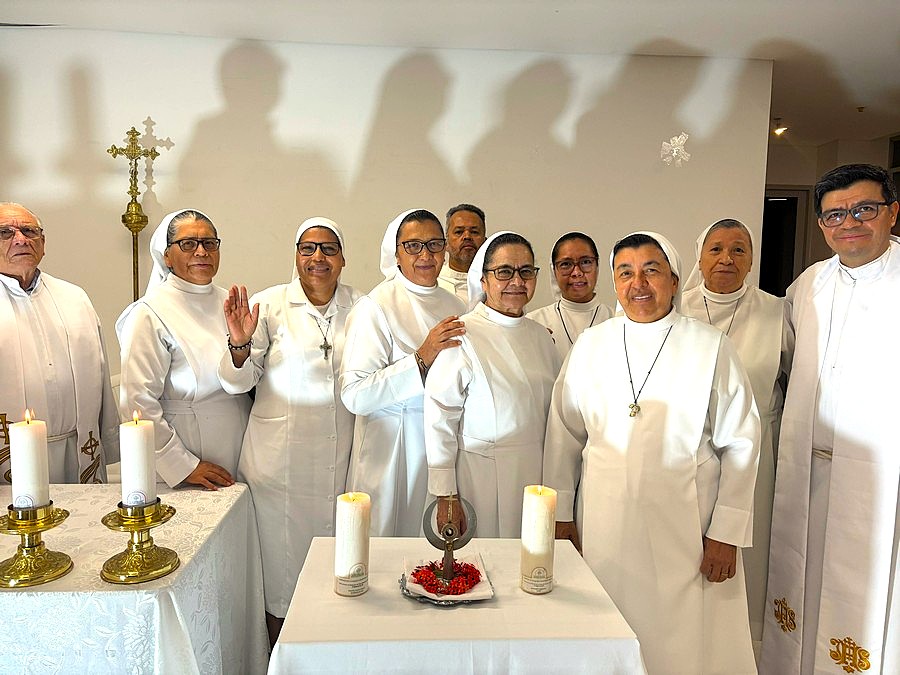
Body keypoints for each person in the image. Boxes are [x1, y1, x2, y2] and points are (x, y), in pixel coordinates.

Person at [544, 231, 760, 674]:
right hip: (603, 522)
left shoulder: (710, 346)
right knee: (605, 626)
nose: (638, 283)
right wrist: (561, 516)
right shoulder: (591, 345)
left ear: (675, 280)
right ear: (614, 282)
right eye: (625, 273)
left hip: (686, 527)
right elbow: (564, 434)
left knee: (681, 639)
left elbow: (740, 441)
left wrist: (726, 532)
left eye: (651, 271)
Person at [762, 164, 900, 674]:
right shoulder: (809, 284)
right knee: (801, 580)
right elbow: (784, 359)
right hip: (809, 470)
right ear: (821, 224)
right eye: (835, 215)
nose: (850, 223)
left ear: (892, 212)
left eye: (864, 209)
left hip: (882, 481)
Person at [219, 216, 362, 646]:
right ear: (296, 257)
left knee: (339, 572)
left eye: (329, 249)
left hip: (341, 460)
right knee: (280, 579)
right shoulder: (268, 305)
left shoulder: (362, 307)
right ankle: (281, 659)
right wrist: (240, 344)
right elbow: (238, 382)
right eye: (308, 248)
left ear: (343, 259)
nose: (318, 257)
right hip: (279, 468)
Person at [681, 218, 792, 653]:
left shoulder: (777, 312)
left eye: (739, 250)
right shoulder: (676, 307)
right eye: (716, 249)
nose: (726, 258)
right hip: (686, 452)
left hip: (753, 456)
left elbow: (798, 379)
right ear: (699, 257)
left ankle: (742, 646)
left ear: (751, 260)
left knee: (746, 551)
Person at [425, 231, 560, 537]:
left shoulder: (541, 337)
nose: (517, 281)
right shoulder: (462, 334)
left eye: (526, 271)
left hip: (536, 476)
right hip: (480, 477)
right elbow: (439, 417)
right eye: (504, 272)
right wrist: (446, 494)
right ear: (483, 280)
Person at [340, 209, 465, 536]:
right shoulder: (375, 306)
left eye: (434, 244)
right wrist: (420, 359)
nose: (425, 255)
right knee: (385, 542)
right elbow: (354, 395)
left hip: (441, 448)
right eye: (413, 246)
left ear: (445, 250)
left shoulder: (458, 307)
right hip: (390, 448)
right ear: (395, 253)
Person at [116, 209, 250, 490]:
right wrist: (182, 465)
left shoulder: (231, 303)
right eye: (188, 244)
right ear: (166, 256)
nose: (201, 252)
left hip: (241, 442)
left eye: (209, 243)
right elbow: (137, 402)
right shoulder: (149, 313)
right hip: (188, 451)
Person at [0, 202, 119, 486]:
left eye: (29, 231)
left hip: (78, 447)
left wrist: (109, 438)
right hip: (10, 455)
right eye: (5, 232)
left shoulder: (74, 297)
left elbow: (101, 374)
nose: (21, 239)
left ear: (43, 243)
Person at [527, 231, 612, 360]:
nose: (576, 272)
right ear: (554, 270)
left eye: (585, 262)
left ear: (597, 266)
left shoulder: (616, 320)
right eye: (566, 264)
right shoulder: (535, 323)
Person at [437, 204, 487, 302]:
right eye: (459, 232)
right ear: (446, 243)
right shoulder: (433, 282)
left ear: (485, 242)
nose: (467, 236)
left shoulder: (497, 284)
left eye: (474, 232)